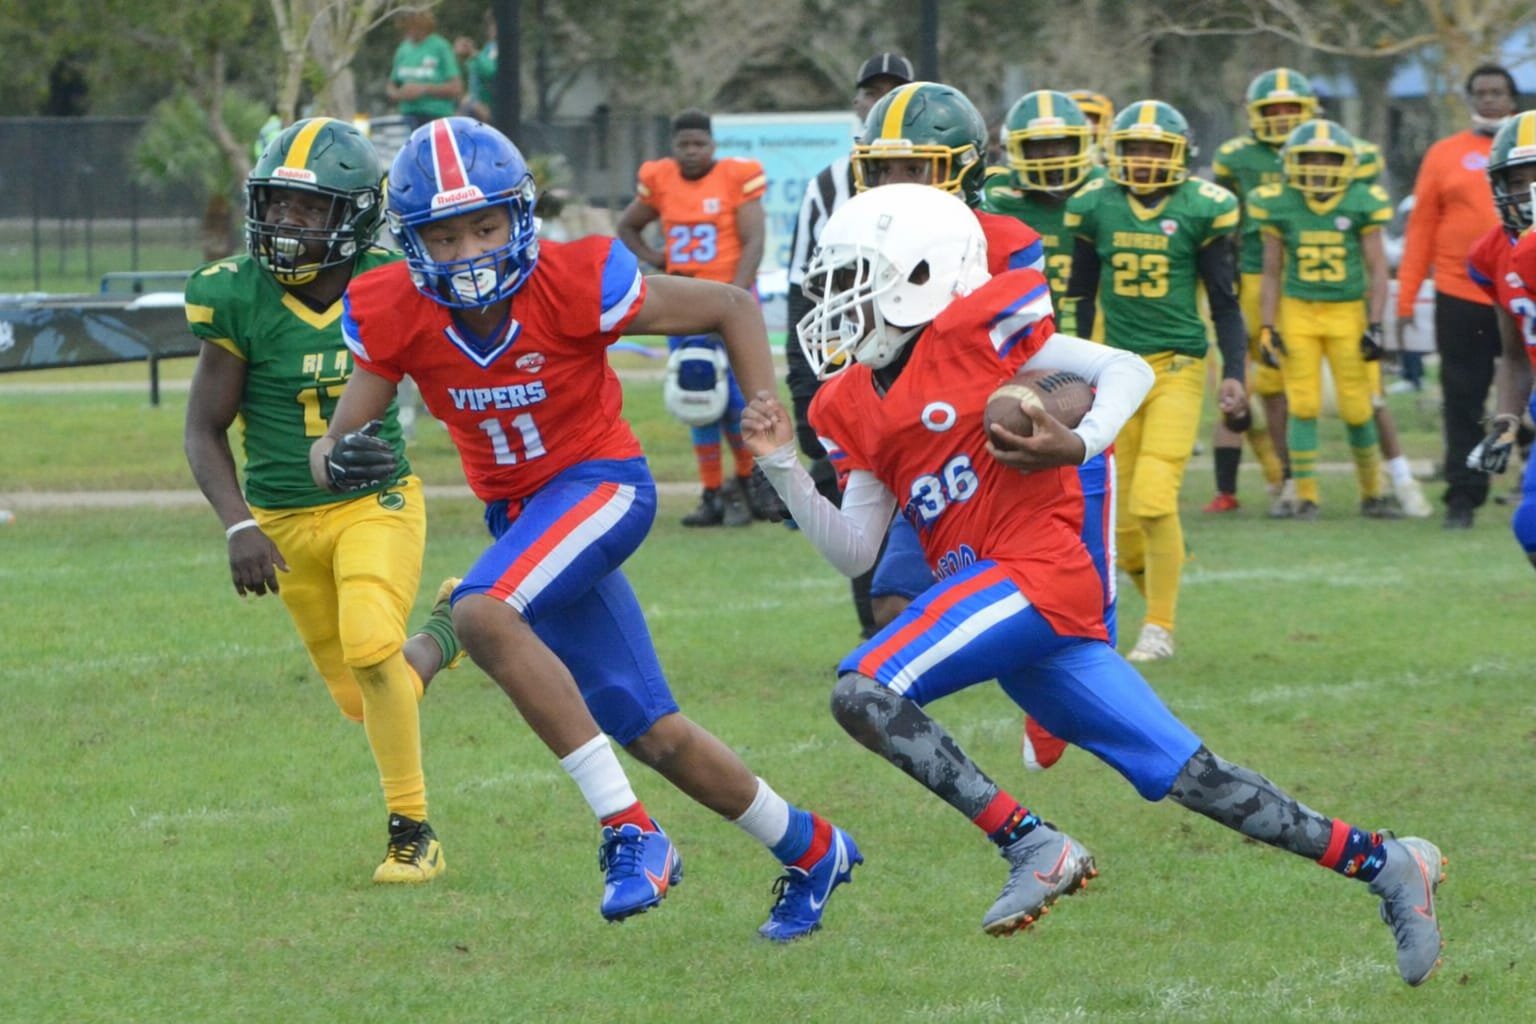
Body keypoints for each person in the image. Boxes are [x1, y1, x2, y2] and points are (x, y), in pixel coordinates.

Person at [741, 183, 1445, 985]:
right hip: (1009, 612)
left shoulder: (979, 334)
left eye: (852, 276)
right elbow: (856, 549)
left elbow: (1124, 370)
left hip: (1035, 578)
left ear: (921, 273)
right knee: (1196, 779)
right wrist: (783, 466)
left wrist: (1078, 446)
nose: (834, 296)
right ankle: (1390, 865)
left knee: (864, 688)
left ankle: (1032, 843)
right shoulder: (846, 400)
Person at [314, 117, 857, 939]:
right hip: (525, 520)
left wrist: (763, 407)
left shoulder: (574, 280)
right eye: (447, 235)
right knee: (650, 730)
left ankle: (628, 830)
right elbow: (338, 439)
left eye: (487, 227)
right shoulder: (392, 306)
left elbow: (731, 305)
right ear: (412, 240)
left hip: (601, 486)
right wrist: (333, 461)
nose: (469, 252)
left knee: (482, 612)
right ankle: (813, 847)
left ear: (521, 218)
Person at [183, 117, 463, 884]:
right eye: (276, 204)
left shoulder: (392, 283)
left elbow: (455, 375)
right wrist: (238, 523)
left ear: (356, 216)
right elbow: (204, 427)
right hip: (279, 518)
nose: (285, 223)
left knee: (374, 648)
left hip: (377, 502)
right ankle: (449, 627)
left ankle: (414, 833)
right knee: (362, 696)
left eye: (308, 210)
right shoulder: (236, 295)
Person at [1063, 99, 1247, 662]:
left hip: (1177, 368)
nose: (1143, 160)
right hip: (1117, 372)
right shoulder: (1094, 205)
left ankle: (1159, 627)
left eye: (1155, 149)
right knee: (1119, 526)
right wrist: (1070, 368)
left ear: (1180, 156)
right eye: (1133, 147)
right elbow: (1079, 296)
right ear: (1114, 153)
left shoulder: (1204, 207)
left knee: (1150, 499)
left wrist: (1236, 373)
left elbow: (1224, 300)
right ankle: (1155, 611)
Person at [980, 87, 1117, 769]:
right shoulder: (990, 208)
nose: (1055, 159)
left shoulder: (1108, 198)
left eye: (1066, 144)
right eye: (1040, 147)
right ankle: (1043, 692)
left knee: (1095, 543)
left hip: (1084, 372)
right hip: (1005, 383)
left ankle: (1089, 686)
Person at [782, 51, 914, 637]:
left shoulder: (953, 182)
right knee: (861, 505)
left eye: (897, 92)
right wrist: (805, 393)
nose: (881, 103)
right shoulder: (830, 185)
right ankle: (877, 636)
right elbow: (801, 295)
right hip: (857, 372)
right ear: (857, 104)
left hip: (934, 371)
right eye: (872, 92)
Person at [617, 109, 769, 527]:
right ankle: (712, 492)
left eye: (699, 144)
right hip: (682, 307)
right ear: (673, 147)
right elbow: (627, 226)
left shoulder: (736, 177)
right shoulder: (660, 178)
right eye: (683, 144)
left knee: (739, 401)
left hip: (727, 305)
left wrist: (735, 297)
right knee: (695, 397)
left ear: (713, 145)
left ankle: (744, 485)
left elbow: (754, 238)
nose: (691, 152)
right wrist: (655, 260)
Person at [1249, 119, 1399, 520]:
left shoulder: (1362, 200)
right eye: (1309, 157)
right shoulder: (1280, 203)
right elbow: (1271, 272)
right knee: (1303, 404)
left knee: (1357, 406)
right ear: (1292, 161)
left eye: (1328, 157)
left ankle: (1373, 491)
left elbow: (1379, 270)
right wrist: (1267, 326)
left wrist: (1376, 323)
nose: (1318, 165)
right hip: (1298, 310)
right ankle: (1305, 494)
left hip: (1347, 312)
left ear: (1347, 162)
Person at [1395, 64, 1519, 529]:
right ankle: (1462, 497)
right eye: (1481, 92)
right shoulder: (1445, 154)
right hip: (1459, 293)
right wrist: (1406, 298)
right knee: (1463, 398)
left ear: (1512, 99)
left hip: (1522, 292)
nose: (1489, 99)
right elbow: (1420, 229)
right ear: (1470, 99)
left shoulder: (1529, 148)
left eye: (1498, 92)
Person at [1207, 68, 1313, 515]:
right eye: (1273, 109)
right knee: (1246, 380)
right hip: (1250, 273)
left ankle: (1291, 476)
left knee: (1286, 385)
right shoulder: (1236, 157)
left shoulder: (1324, 149)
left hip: (1307, 281)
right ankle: (1275, 476)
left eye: (1292, 108)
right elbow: (1222, 224)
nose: (1283, 117)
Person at [1467, 110, 1536, 570]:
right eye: (1518, 179)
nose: (1530, 192)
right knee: (1529, 526)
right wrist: (1505, 421)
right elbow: (1515, 354)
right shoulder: (1492, 253)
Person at [385, 10, 464, 130]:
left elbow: (456, 87)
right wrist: (400, 94)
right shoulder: (403, 49)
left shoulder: (440, 47)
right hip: (408, 116)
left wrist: (424, 89)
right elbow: (391, 86)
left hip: (436, 116)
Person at [454, 9, 497, 123]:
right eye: (490, 25)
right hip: (476, 108)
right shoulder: (488, 48)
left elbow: (490, 72)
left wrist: (473, 52)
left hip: (493, 109)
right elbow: (475, 79)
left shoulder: (498, 47)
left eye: (493, 24)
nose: (490, 29)